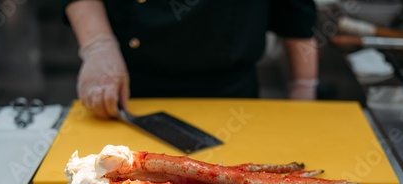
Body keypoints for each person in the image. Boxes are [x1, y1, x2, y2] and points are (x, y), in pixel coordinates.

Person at [62, 0, 318, 119]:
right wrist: (98, 45)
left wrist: (303, 85)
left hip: (233, 101)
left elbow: (296, 12)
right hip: (130, 91)